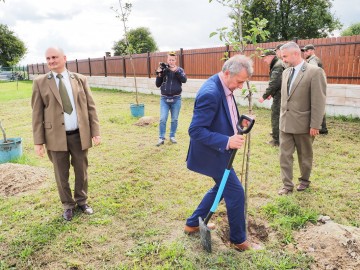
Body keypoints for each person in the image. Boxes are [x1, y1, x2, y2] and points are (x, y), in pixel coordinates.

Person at [184, 54, 262, 251]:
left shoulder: (224, 85)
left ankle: (193, 223)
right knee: (236, 193)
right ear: (227, 73)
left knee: (221, 188)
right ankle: (238, 240)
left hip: (220, 152)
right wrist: (227, 141)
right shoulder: (211, 92)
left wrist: (239, 123)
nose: (240, 86)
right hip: (213, 153)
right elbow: (196, 130)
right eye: (239, 81)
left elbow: (223, 116)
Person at [31, 47, 101, 221]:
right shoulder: (40, 82)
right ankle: (67, 205)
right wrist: (38, 142)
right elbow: (37, 113)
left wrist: (95, 131)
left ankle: (82, 201)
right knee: (61, 174)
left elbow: (90, 107)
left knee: (81, 170)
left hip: (79, 135)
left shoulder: (80, 79)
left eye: (54, 57)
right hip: (55, 137)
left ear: (64, 58)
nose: (51, 61)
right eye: (48, 58)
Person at [278, 42, 326, 195]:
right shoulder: (285, 72)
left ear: (296, 54)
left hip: (304, 124)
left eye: (285, 56)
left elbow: (319, 101)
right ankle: (287, 185)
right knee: (284, 155)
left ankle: (304, 180)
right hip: (285, 122)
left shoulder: (314, 72)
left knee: (304, 155)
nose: (283, 59)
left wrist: (315, 124)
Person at [155, 51, 187, 146]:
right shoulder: (164, 69)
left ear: (175, 60)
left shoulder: (180, 70)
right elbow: (157, 84)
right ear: (167, 59)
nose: (171, 62)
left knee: (174, 119)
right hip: (164, 99)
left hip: (176, 99)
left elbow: (184, 80)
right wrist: (160, 74)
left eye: (173, 60)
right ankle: (161, 138)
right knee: (162, 119)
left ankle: (172, 136)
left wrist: (175, 71)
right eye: (169, 60)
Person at [258, 50, 284, 146]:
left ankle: (276, 141)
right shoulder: (278, 63)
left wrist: (264, 96)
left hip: (280, 95)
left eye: (265, 57)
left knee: (276, 116)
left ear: (271, 56)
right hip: (281, 93)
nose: (264, 60)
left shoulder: (277, 65)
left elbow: (274, 83)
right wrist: (271, 93)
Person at [301, 44, 328, 135]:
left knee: (316, 105)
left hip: (315, 85)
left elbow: (312, 72)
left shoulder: (313, 60)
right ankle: (323, 129)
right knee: (319, 105)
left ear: (312, 50)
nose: (305, 53)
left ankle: (322, 128)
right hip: (317, 85)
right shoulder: (312, 59)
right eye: (304, 51)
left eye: (306, 51)